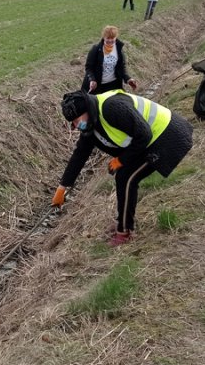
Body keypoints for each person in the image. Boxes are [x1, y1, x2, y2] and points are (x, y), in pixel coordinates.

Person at [52, 89, 193, 247]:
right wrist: (62, 187)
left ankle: (124, 232)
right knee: (123, 176)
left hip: (167, 135)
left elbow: (144, 135)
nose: (77, 125)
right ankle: (124, 222)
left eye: (78, 120)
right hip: (148, 140)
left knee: (126, 178)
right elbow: (80, 154)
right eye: (74, 123)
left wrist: (121, 160)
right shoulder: (91, 124)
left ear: (87, 110)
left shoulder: (111, 108)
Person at [81, 25, 139, 95]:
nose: (110, 40)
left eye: (112, 38)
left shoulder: (118, 48)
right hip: (98, 86)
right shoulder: (96, 49)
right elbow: (88, 68)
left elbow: (121, 67)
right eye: (108, 38)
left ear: (116, 37)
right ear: (103, 37)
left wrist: (128, 79)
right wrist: (92, 80)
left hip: (113, 85)